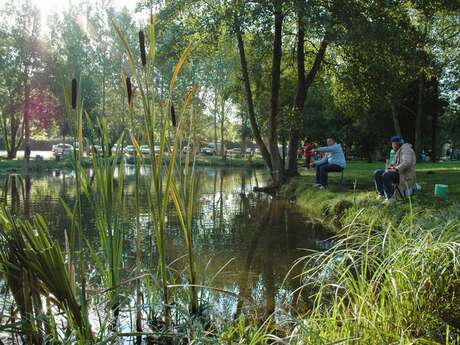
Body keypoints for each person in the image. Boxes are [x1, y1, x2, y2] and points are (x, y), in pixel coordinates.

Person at [374, 136, 416, 205]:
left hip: (405, 175)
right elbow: (397, 163)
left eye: (393, 144)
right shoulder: (399, 151)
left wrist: (396, 169)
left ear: (396, 144)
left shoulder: (406, 150)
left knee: (386, 174)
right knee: (377, 173)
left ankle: (390, 198)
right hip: (399, 173)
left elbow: (407, 162)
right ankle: (382, 194)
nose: (392, 146)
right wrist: (391, 167)